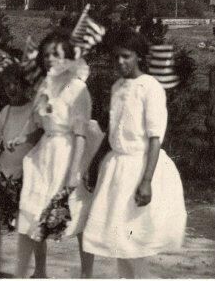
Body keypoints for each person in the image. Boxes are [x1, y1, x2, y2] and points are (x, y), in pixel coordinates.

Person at [82, 29, 186, 278]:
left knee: (133, 238)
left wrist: (146, 181)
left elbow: (155, 137)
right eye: (116, 57)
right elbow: (113, 130)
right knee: (120, 239)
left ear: (139, 56)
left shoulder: (150, 87)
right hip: (116, 168)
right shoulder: (117, 87)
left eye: (126, 56)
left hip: (139, 167)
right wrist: (94, 164)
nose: (120, 62)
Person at [15, 31, 99, 278]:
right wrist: (22, 138)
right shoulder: (45, 85)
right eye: (46, 55)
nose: (50, 59)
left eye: (56, 54)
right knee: (35, 209)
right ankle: (40, 272)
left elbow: (81, 133)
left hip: (68, 153)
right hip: (44, 154)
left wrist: (75, 171)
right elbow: (39, 123)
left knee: (77, 213)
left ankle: (86, 274)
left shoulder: (78, 88)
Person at [0, 63, 44, 277]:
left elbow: (42, 133)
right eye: (7, 85)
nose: (11, 89)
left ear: (24, 85)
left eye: (15, 83)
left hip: (27, 171)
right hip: (5, 169)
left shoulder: (34, 108)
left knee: (31, 221)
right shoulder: (5, 111)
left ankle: (40, 272)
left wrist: (26, 138)